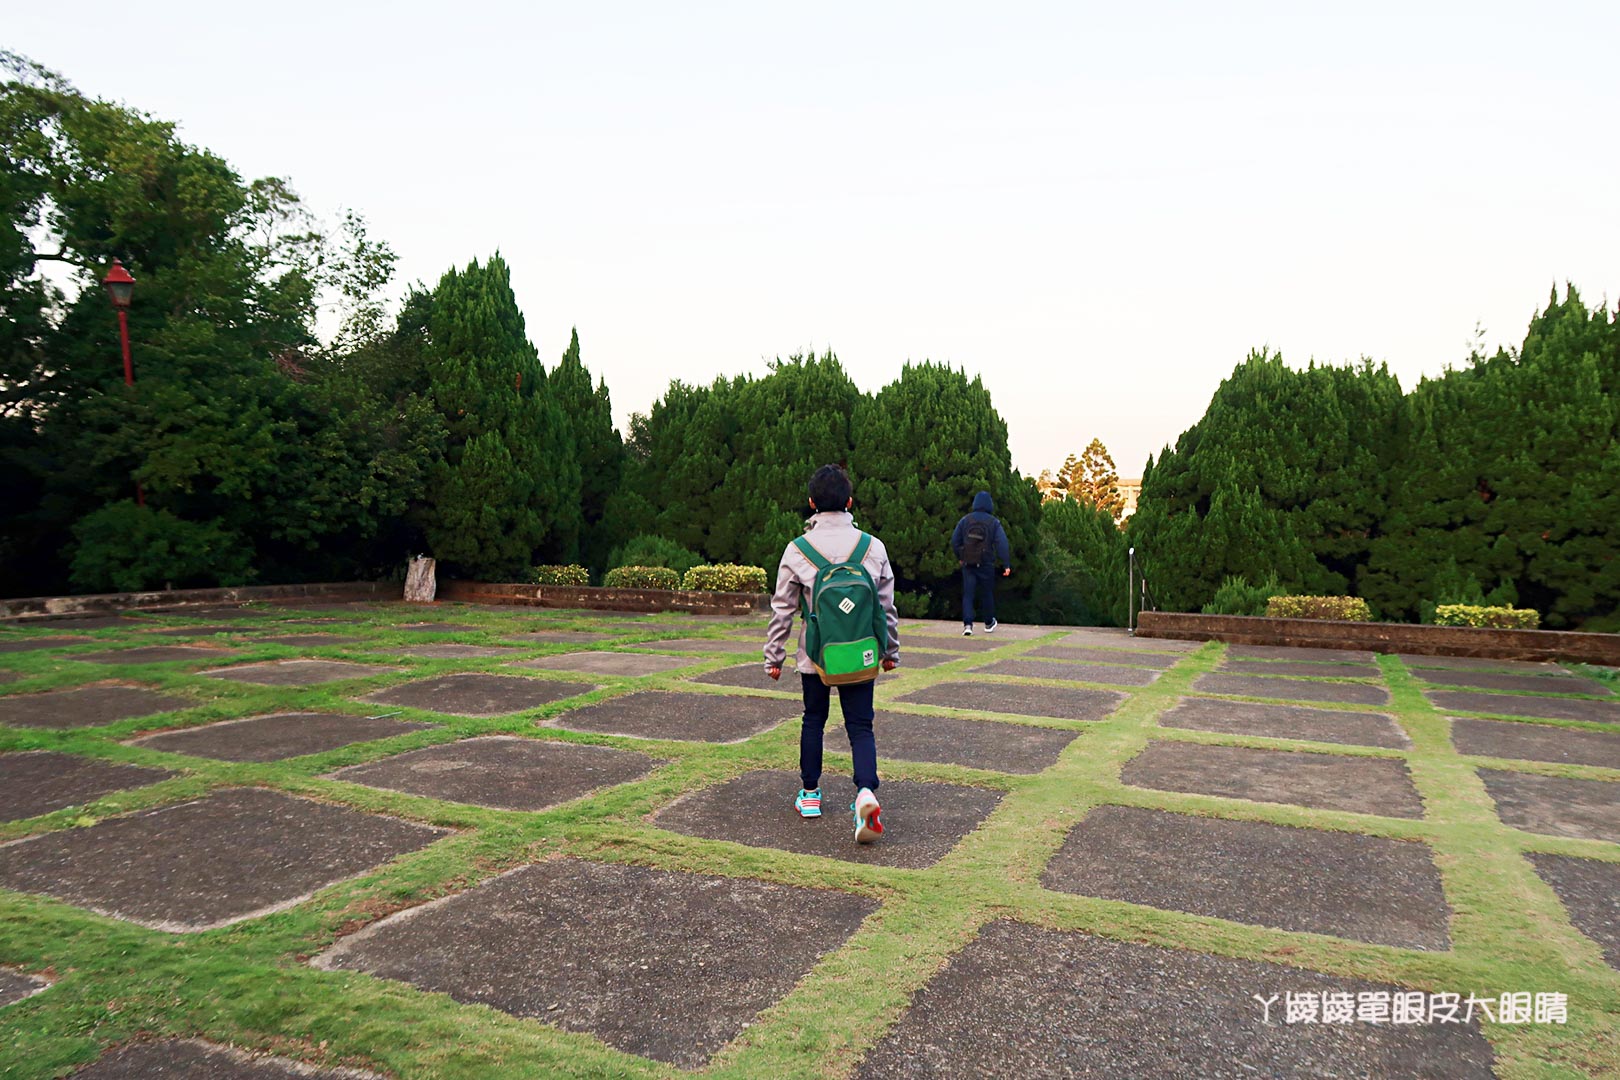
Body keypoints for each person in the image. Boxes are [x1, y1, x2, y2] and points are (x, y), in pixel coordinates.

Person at [764, 464, 900, 843]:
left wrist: (774, 657)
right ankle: (865, 793)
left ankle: (810, 795)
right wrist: (890, 652)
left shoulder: (797, 550)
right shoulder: (873, 547)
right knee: (860, 726)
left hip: (816, 657)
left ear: (811, 504)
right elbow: (885, 608)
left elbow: (783, 608)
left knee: (814, 719)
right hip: (862, 655)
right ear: (850, 502)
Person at [951, 490, 1011, 635]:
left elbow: (954, 540)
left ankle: (968, 625)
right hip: (986, 563)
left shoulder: (965, 520)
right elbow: (1002, 543)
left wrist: (960, 555)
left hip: (968, 562)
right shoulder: (993, 522)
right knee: (987, 593)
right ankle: (989, 622)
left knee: (968, 594)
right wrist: (1006, 564)